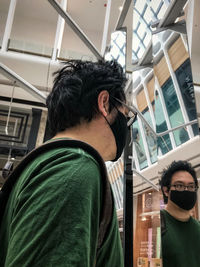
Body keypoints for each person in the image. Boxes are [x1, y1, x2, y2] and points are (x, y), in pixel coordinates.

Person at [0, 60, 129, 267]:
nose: (127, 125)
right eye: (126, 114)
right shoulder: (75, 168)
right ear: (104, 103)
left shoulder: (45, 163)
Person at [160, 160, 200, 267]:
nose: (186, 190)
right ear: (166, 191)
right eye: (179, 186)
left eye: (191, 186)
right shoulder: (155, 225)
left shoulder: (198, 227)